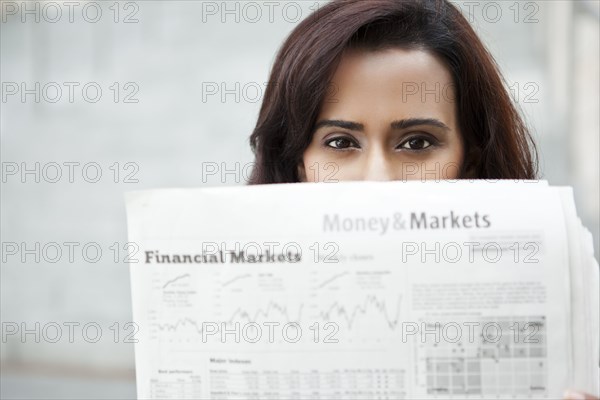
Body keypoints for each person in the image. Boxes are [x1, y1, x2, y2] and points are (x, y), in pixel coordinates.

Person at [248, 0, 598, 398]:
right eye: (341, 142)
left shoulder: (561, 333)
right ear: (298, 164)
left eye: (417, 142)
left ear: (470, 159)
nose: (378, 182)